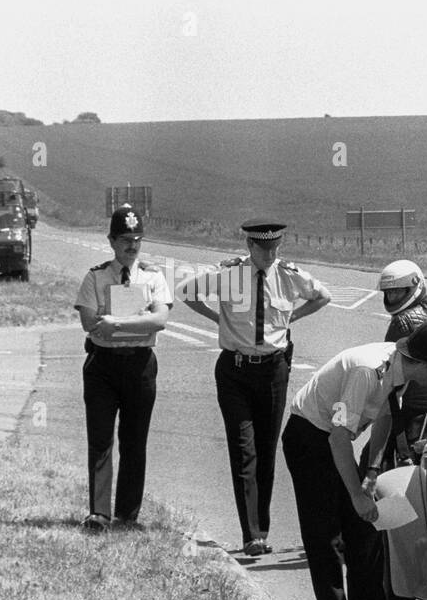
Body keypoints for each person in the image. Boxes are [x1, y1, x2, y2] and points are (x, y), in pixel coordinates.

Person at [281, 320, 427, 600]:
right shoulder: (368, 372)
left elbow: (387, 418)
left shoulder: (398, 371)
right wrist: (356, 495)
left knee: (366, 534)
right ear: (422, 364)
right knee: (327, 541)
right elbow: (337, 436)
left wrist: (372, 472)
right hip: (311, 440)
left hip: (334, 442)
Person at [177, 219, 330, 555]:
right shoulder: (231, 274)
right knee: (243, 448)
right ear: (249, 246)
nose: (269, 254)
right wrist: (218, 319)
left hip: (273, 370)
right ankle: (252, 534)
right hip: (235, 371)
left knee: (265, 450)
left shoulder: (288, 275)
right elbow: (185, 292)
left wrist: (294, 317)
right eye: (263, 248)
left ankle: (262, 527)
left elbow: (323, 296)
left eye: (275, 247)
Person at [73, 206, 173, 532]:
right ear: (112, 241)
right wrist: (137, 322)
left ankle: (127, 514)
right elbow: (89, 322)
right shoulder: (96, 276)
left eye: (137, 239)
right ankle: (99, 513)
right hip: (103, 367)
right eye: (126, 240)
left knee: (134, 441)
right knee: (101, 440)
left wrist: (116, 322)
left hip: (140, 366)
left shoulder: (153, 276)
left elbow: (159, 320)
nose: (132, 246)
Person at [365, 260, 427, 470]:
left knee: (370, 461)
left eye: (398, 292)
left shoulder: (402, 321)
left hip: (415, 407)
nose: (392, 297)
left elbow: (391, 367)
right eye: (389, 293)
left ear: (414, 286)